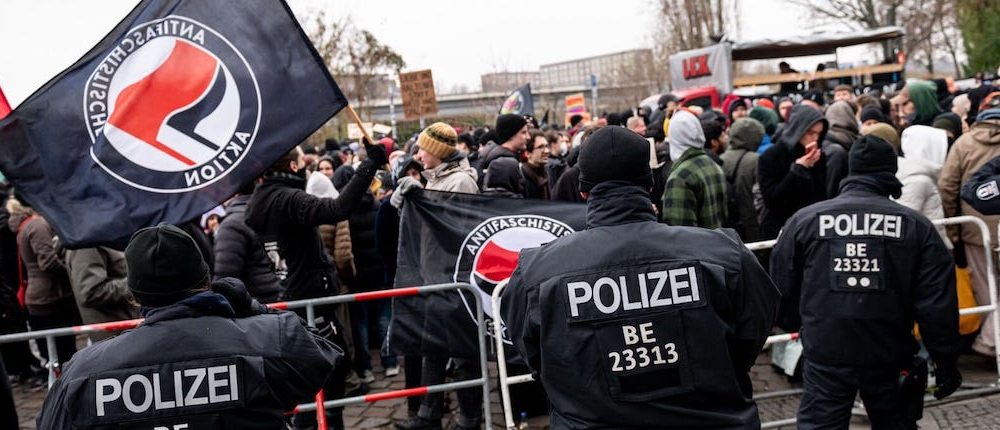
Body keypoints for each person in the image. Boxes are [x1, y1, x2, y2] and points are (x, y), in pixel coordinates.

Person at [502, 126, 779, 429]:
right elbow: (753, 331)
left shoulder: (537, 273)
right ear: (649, 185)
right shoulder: (724, 254)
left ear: (584, 192)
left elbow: (534, 355)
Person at [36, 224, 343, 430]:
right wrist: (251, 307)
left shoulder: (83, 373)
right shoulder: (269, 338)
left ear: (134, 294)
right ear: (205, 279)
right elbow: (323, 356)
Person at [770, 135, 961, 429]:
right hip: (888, 349)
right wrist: (946, 362)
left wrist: (806, 324)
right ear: (890, 171)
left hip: (827, 348)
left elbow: (779, 285)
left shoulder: (805, 221)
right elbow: (936, 305)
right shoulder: (915, 227)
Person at [246, 141, 388, 430]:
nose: (308, 164)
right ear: (293, 166)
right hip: (310, 296)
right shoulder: (288, 199)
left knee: (318, 371)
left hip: (292, 291)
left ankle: (320, 421)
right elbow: (339, 208)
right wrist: (369, 164)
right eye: (302, 160)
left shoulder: (261, 199)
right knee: (329, 370)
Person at [392, 123, 482, 430]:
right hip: (435, 277)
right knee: (433, 347)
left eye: (422, 148)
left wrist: (423, 202)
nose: (416, 155)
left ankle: (469, 419)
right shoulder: (438, 179)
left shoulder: (461, 181)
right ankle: (428, 415)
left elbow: (455, 229)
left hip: (454, 281)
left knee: (463, 355)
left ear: (439, 151)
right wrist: (406, 205)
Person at [939, 107, 1000, 357]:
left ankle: (990, 342)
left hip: (976, 228)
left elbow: (947, 186)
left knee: (986, 287)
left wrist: (954, 229)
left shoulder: (964, 144)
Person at [7, 196, 80, 366]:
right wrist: (72, 273)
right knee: (62, 355)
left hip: (41, 296)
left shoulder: (26, 224)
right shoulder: (36, 225)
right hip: (50, 297)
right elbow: (48, 262)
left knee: (55, 355)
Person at [757, 105, 831, 239]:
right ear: (798, 129)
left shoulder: (818, 156)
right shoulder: (771, 156)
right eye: (810, 133)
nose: (815, 138)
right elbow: (772, 200)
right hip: (781, 229)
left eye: (818, 134)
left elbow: (821, 196)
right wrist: (798, 170)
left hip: (811, 227)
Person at [213, 183, 282, 303]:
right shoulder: (276, 210)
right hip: (286, 301)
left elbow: (225, 282)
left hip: (259, 307)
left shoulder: (232, 225)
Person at [661, 110, 728, 228]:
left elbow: (679, 231)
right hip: (718, 242)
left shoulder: (680, 177)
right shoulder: (713, 165)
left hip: (696, 245)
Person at [64, 245, 138, 342]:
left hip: (126, 329)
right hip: (114, 334)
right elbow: (90, 292)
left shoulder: (102, 239)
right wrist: (136, 282)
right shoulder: (86, 247)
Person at [721, 118, 766, 242]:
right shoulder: (755, 160)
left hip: (726, 226)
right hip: (750, 224)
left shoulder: (721, 158)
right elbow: (760, 197)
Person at [522, 131, 551, 200]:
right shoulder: (522, 177)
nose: (546, 151)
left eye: (547, 146)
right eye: (541, 147)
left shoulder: (546, 173)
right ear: (528, 153)